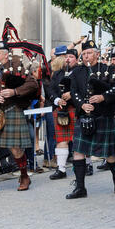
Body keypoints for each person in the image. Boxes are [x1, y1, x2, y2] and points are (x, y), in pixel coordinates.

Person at [64, 40, 115, 199]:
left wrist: (103, 97)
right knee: (78, 151)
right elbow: (73, 91)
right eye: (84, 54)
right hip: (84, 116)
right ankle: (80, 188)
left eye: (89, 53)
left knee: (109, 153)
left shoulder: (108, 69)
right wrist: (82, 105)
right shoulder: (77, 72)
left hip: (103, 116)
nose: (86, 56)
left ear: (97, 54)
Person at [0, 41, 39, 196]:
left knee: (15, 149)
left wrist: (15, 92)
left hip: (13, 111)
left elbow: (33, 84)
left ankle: (24, 176)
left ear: (6, 54)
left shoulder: (17, 67)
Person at [47, 48, 79, 180]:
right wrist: (56, 99)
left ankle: (86, 165)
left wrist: (72, 94)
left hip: (76, 109)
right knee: (61, 140)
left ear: (76, 59)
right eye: (67, 56)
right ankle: (61, 169)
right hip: (61, 110)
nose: (68, 59)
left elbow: (86, 89)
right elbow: (50, 89)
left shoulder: (81, 72)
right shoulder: (58, 73)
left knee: (79, 139)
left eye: (71, 56)